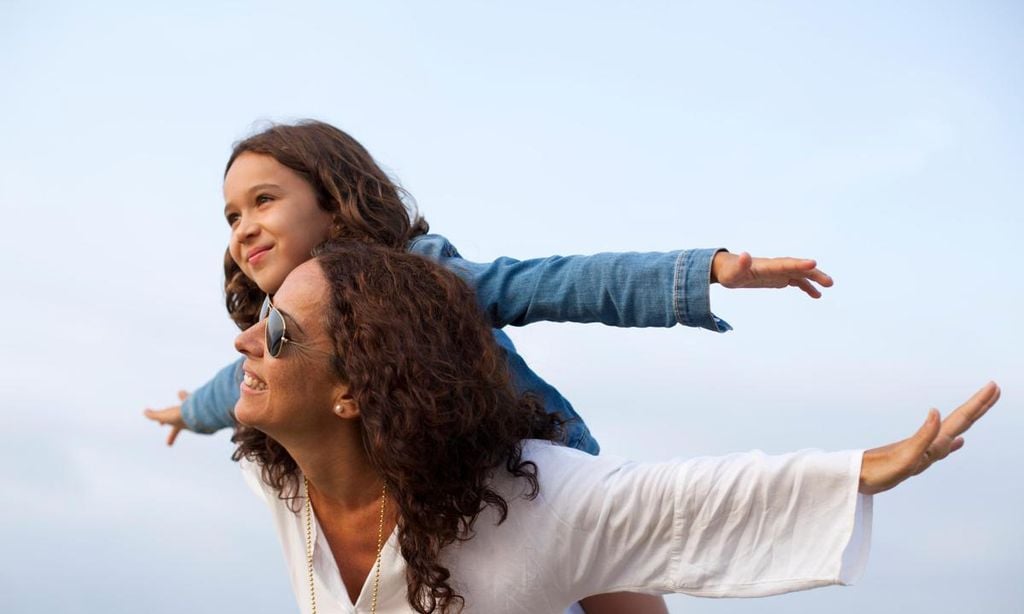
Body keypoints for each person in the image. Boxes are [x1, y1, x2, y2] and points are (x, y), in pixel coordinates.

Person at [145, 119, 833, 613]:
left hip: (531, 469)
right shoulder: (284, 337)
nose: (243, 227)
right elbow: (233, 386)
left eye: (264, 200)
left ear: (334, 197)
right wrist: (186, 412)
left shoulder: (423, 278)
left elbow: (556, 283)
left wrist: (703, 273)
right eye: (231, 214)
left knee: (618, 588)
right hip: (438, 507)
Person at [232, 240, 998, 614]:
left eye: (277, 330)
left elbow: (682, 501)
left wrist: (860, 470)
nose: (245, 341)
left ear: (353, 393)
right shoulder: (275, 476)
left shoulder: (524, 502)